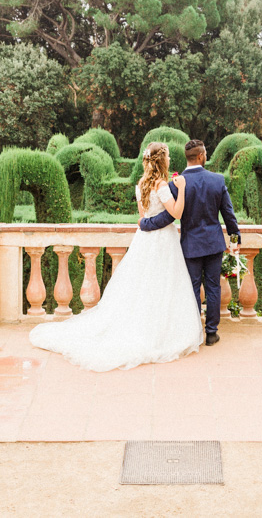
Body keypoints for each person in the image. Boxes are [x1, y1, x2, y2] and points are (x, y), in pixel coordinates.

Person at [28, 142, 204, 372]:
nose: (170, 160)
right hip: (163, 241)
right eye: (168, 157)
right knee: (161, 284)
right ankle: (157, 330)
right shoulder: (162, 185)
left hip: (145, 241)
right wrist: (180, 188)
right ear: (163, 161)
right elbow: (177, 213)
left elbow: (143, 218)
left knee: (142, 285)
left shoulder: (141, 185)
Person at [139, 139, 241, 346]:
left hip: (190, 245)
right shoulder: (217, 180)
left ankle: (194, 332)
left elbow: (168, 218)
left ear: (187, 158)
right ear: (202, 156)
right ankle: (211, 333)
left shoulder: (176, 183)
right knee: (213, 287)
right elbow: (229, 215)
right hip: (213, 244)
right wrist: (235, 239)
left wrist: (145, 224)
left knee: (192, 288)